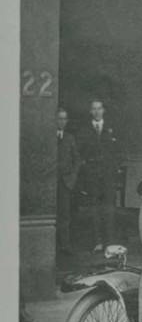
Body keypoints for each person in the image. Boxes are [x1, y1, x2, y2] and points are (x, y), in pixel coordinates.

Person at [76, 99, 123, 252]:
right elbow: (79, 152)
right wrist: (87, 167)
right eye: (94, 109)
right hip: (93, 175)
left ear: (103, 110)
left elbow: (120, 150)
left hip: (109, 175)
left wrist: (114, 166)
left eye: (99, 108)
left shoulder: (112, 128)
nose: (97, 111)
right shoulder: (84, 130)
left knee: (109, 208)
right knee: (95, 208)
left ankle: (109, 241)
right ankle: (98, 240)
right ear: (90, 111)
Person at [56, 108, 81, 254]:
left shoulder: (70, 138)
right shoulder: (47, 136)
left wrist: (72, 178)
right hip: (49, 183)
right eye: (59, 118)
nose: (62, 122)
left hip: (65, 182)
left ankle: (64, 246)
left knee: (65, 215)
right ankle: (51, 245)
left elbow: (77, 159)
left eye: (64, 119)